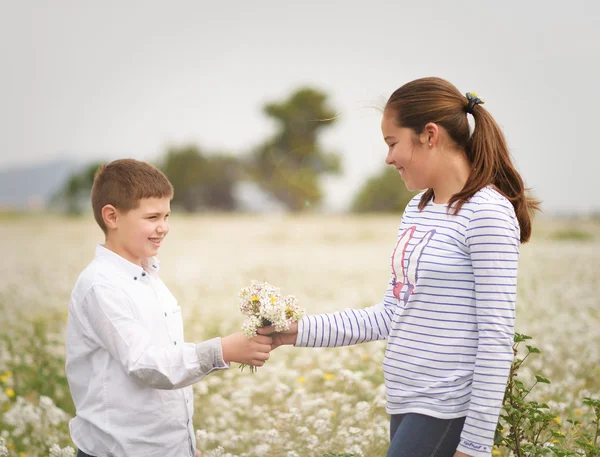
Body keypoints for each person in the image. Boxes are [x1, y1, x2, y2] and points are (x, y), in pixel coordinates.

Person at [260, 77, 540, 457]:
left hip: (445, 408)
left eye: (393, 143)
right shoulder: (418, 210)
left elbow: (496, 338)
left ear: (429, 135)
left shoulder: (487, 213)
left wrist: (474, 445)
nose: (389, 158)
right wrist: (293, 332)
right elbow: (390, 314)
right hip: (405, 401)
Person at [65, 159, 272, 457]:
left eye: (166, 215)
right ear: (111, 216)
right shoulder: (101, 286)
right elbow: (146, 365)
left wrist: (184, 445)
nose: (163, 227)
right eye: (151, 217)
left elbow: (167, 358)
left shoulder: (149, 275)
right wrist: (222, 350)